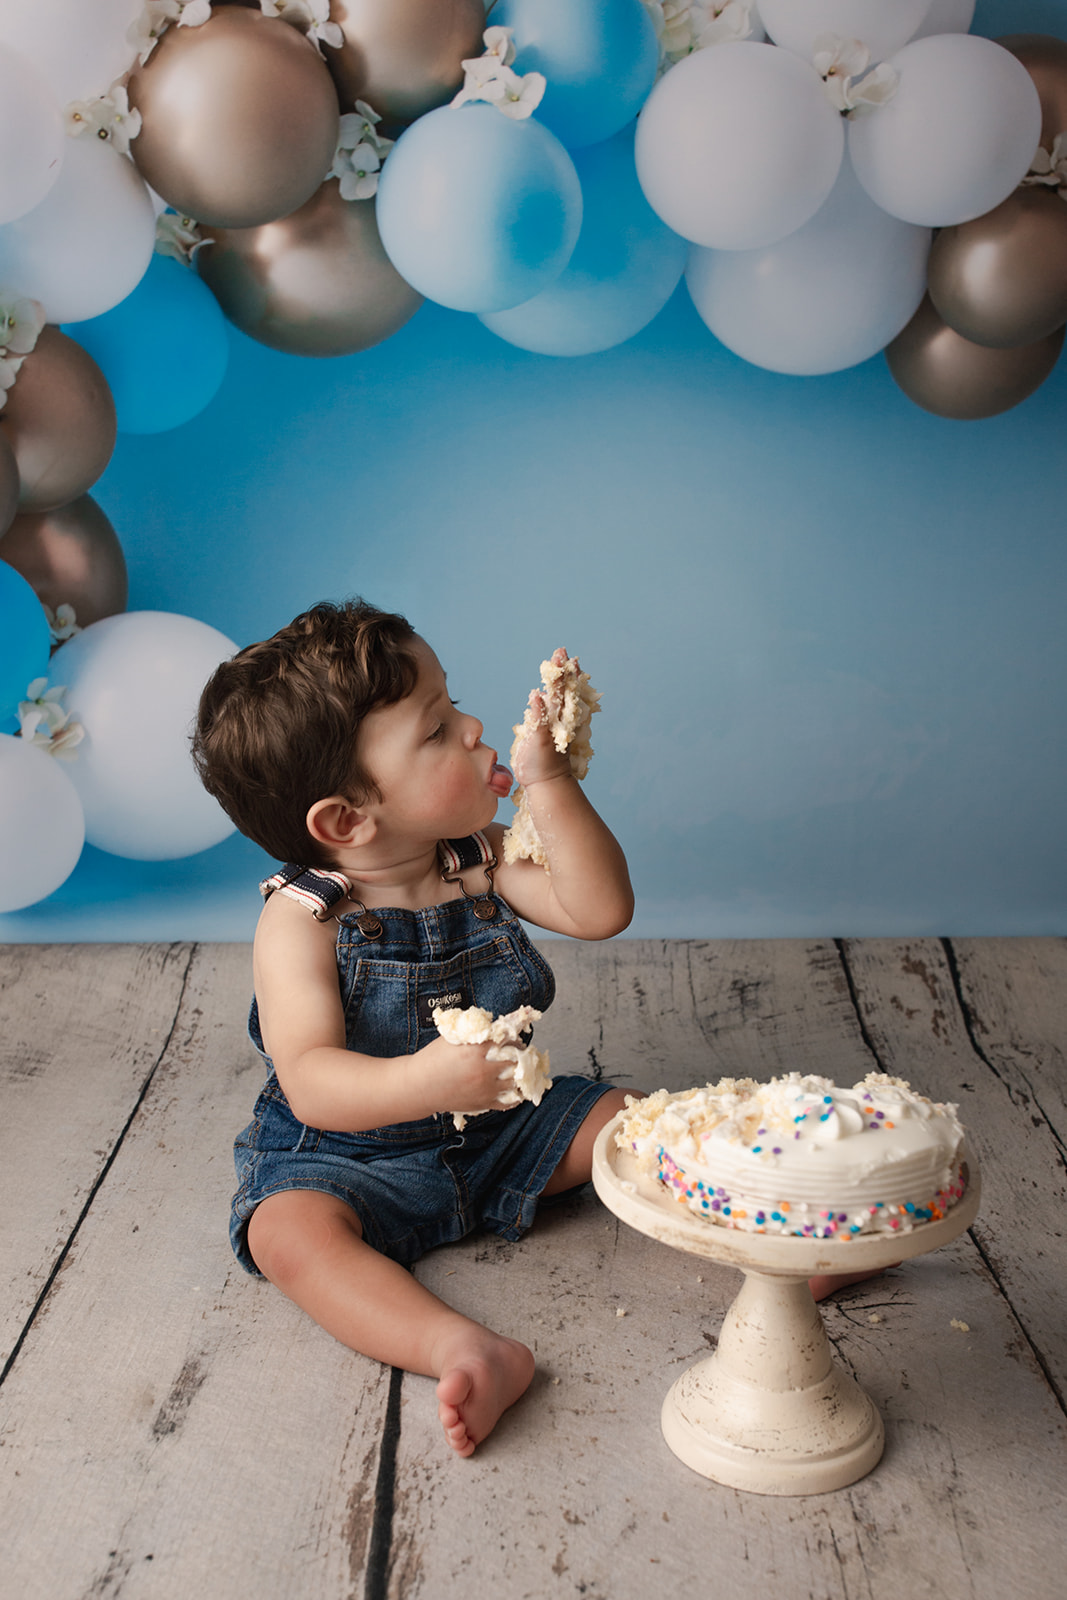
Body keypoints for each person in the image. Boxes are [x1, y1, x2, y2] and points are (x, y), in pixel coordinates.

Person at [192, 598, 636, 1457]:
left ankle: (769, 1241)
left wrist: (550, 784)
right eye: (436, 729)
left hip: (501, 1130)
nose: (473, 728)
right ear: (347, 820)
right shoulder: (303, 921)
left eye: (453, 703)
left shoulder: (482, 858)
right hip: (346, 1159)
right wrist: (425, 1082)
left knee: (633, 1124)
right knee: (287, 1235)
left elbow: (599, 907)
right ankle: (460, 1347)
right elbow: (312, 1081)